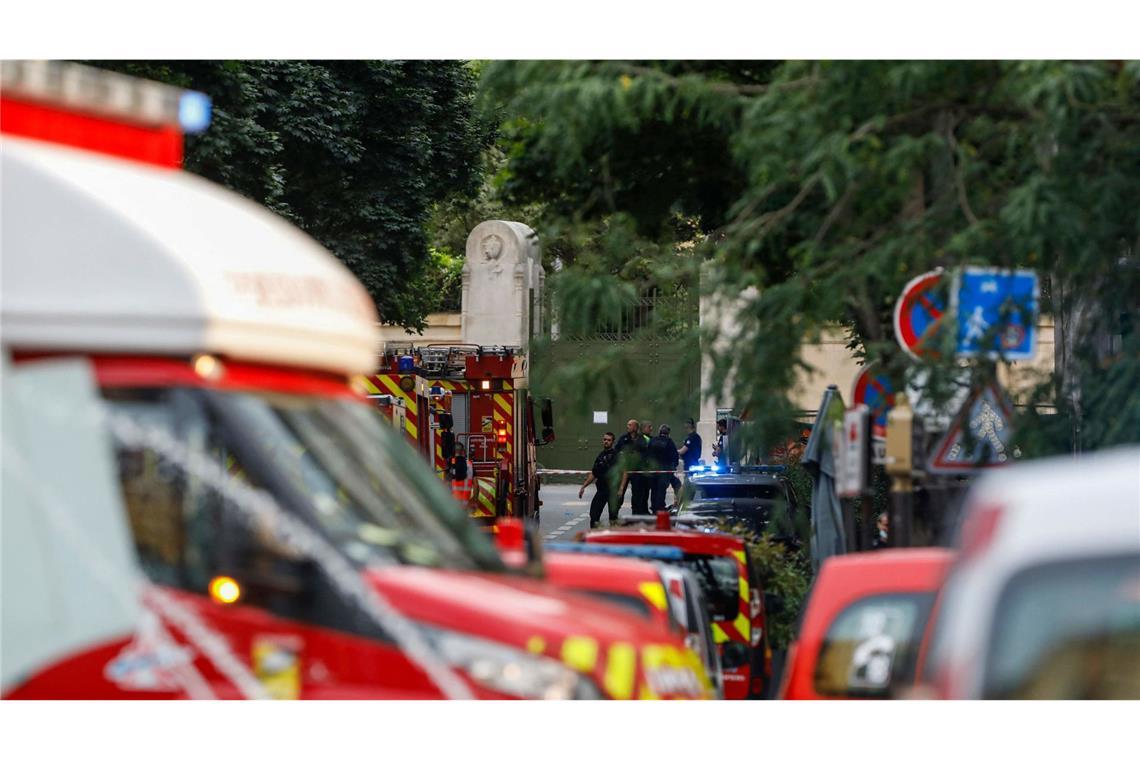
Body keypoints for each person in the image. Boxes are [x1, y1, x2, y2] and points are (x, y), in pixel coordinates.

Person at [579, 432, 617, 528]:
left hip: (613, 491)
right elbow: (594, 473)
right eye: (605, 439)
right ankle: (594, 535)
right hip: (601, 490)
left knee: (613, 518)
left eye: (609, 440)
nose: (606, 442)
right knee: (594, 514)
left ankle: (614, 539)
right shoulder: (600, 456)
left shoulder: (616, 455)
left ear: (613, 442)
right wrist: (584, 486)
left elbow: (624, 472)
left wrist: (621, 489)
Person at [615, 418, 651, 516]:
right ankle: (614, 514)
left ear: (635, 427)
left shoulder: (642, 439)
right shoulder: (623, 438)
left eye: (630, 425)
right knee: (620, 492)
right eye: (628, 425)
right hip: (624, 470)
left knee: (637, 494)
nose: (628, 427)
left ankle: (635, 515)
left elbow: (645, 454)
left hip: (637, 471)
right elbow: (617, 450)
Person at [647, 424, 679, 513]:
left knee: (654, 489)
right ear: (668, 433)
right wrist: (673, 468)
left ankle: (654, 507)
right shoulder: (669, 442)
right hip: (665, 471)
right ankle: (660, 508)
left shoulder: (652, 440)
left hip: (653, 470)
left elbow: (648, 455)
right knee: (661, 490)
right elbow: (675, 457)